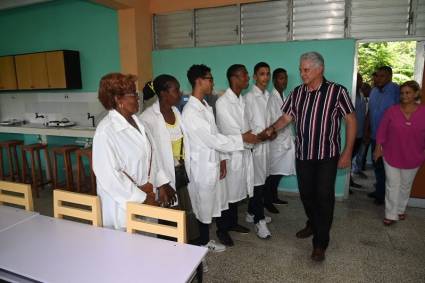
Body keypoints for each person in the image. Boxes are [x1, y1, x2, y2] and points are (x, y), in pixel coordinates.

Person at [267, 52, 356, 261]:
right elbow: (286, 117)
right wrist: (271, 129)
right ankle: (313, 223)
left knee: (324, 197)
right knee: (307, 194)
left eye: (305, 70)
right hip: (304, 154)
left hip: (327, 155)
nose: (301, 73)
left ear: (319, 70)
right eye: (301, 69)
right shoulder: (297, 93)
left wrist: (347, 151)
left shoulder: (337, 91)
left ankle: (320, 243)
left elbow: (351, 121)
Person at [182, 64, 259, 252]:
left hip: (213, 162)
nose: (212, 82)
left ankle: (206, 240)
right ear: (199, 81)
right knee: (203, 206)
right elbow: (213, 139)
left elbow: (216, 132)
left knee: (213, 203)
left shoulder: (205, 106)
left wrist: (223, 158)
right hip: (202, 168)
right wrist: (242, 139)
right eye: (209, 78)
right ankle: (201, 245)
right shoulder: (191, 112)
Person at [93, 73, 173, 230]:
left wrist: (162, 182)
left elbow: (153, 155)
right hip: (123, 206)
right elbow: (110, 177)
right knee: (127, 249)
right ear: (117, 99)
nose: (138, 98)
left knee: (148, 245)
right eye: (133, 94)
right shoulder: (106, 132)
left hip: (147, 195)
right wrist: (142, 198)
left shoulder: (140, 123)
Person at [215, 64, 259, 243]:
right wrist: (248, 136)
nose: (248, 78)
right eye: (244, 75)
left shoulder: (241, 100)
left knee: (236, 193)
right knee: (226, 194)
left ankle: (232, 223)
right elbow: (232, 131)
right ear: (234, 78)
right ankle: (221, 230)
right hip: (230, 154)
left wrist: (250, 135)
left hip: (242, 152)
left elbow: (247, 127)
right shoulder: (223, 102)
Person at [374, 80, 425, 225]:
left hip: (415, 155)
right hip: (391, 153)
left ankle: (400, 210)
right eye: (402, 93)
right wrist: (378, 148)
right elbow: (382, 131)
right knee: (392, 184)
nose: (404, 95)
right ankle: (390, 214)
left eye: (408, 92)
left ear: (416, 93)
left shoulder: (423, 112)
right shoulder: (392, 111)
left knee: (405, 185)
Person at [140, 74, 190, 215]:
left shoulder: (175, 112)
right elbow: (150, 156)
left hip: (180, 172)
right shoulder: (148, 118)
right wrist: (162, 182)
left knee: (183, 216)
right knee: (168, 217)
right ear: (163, 93)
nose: (180, 93)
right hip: (164, 176)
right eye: (176, 90)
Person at [244, 62, 275, 238]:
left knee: (262, 182)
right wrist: (261, 136)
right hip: (255, 147)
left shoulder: (267, 95)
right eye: (262, 74)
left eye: (267, 74)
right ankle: (259, 222)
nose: (266, 78)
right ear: (255, 76)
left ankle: (250, 213)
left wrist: (273, 131)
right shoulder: (249, 98)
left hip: (266, 146)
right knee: (257, 186)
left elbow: (270, 120)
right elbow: (247, 125)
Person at [367, 66, 400, 205]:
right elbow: (370, 112)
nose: (378, 78)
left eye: (382, 76)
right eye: (377, 76)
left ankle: (385, 196)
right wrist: (366, 131)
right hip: (375, 136)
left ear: (390, 76)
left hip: (390, 138)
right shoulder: (374, 91)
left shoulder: (396, 91)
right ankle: (380, 190)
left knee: (389, 169)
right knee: (377, 166)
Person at [264, 68, 295, 209]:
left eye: (286, 78)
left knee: (280, 172)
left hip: (285, 141)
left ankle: (274, 197)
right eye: (281, 78)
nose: (284, 81)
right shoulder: (272, 98)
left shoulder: (284, 96)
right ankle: (267, 201)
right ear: (275, 80)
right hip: (276, 142)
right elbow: (273, 120)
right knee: (272, 174)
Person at [350, 73, 367, 190]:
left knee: (353, 157)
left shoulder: (361, 94)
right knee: (349, 158)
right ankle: (348, 183)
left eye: (360, 79)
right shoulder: (350, 95)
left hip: (360, 133)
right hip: (353, 134)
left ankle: (350, 181)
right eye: (358, 79)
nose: (360, 81)